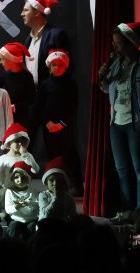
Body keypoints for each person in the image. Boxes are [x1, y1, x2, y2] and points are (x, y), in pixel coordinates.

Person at [99, 22, 140, 213]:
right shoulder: (116, 63)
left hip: (136, 124)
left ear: (130, 44)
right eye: (114, 43)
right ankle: (127, 211)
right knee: (122, 170)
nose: (114, 47)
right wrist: (103, 77)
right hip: (116, 123)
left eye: (118, 44)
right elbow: (107, 89)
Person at [35, 49, 82, 195]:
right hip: (49, 127)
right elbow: (40, 106)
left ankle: (75, 185)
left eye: (60, 65)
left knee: (69, 154)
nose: (56, 67)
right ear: (49, 66)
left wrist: (61, 124)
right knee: (53, 155)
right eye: (53, 65)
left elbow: (72, 107)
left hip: (64, 127)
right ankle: (54, 184)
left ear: (65, 66)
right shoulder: (45, 85)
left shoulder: (70, 84)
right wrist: (47, 123)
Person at [22, 0, 70, 85]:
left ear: (37, 12)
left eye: (25, 10)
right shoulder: (28, 40)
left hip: (50, 92)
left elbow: (66, 67)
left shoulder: (56, 35)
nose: (22, 14)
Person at [0, 42, 37, 134]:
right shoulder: (4, 75)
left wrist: (16, 107)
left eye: (2, 59)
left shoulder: (27, 76)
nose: (0, 62)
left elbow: (32, 99)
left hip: (22, 119)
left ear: (11, 60)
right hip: (7, 118)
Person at [0, 123, 39, 189]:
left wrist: (26, 155)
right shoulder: (3, 158)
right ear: (9, 142)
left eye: (22, 142)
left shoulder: (27, 156)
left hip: (24, 191)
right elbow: (0, 178)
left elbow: (36, 170)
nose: (20, 144)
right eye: (17, 141)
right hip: (9, 190)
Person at [5, 161, 38, 241]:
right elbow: (8, 209)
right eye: (16, 177)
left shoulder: (33, 191)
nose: (20, 180)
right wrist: (16, 206)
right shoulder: (10, 191)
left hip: (31, 219)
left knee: (33, 228)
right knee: (13, 227)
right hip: (16, 219)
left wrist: (29, 204)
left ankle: (30, 246)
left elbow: (37, 207)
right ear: (13, 179)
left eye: (23, 177)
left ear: (28, 179)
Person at [38, 157, 77, 222]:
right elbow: (46, 214)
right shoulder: (43, 195)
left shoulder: (69, 198)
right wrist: (56, 197)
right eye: (51, 180)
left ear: (63, 182)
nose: (55, 183)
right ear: (46, 182)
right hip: (45, 225)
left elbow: (73, 217)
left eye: (59, 180)